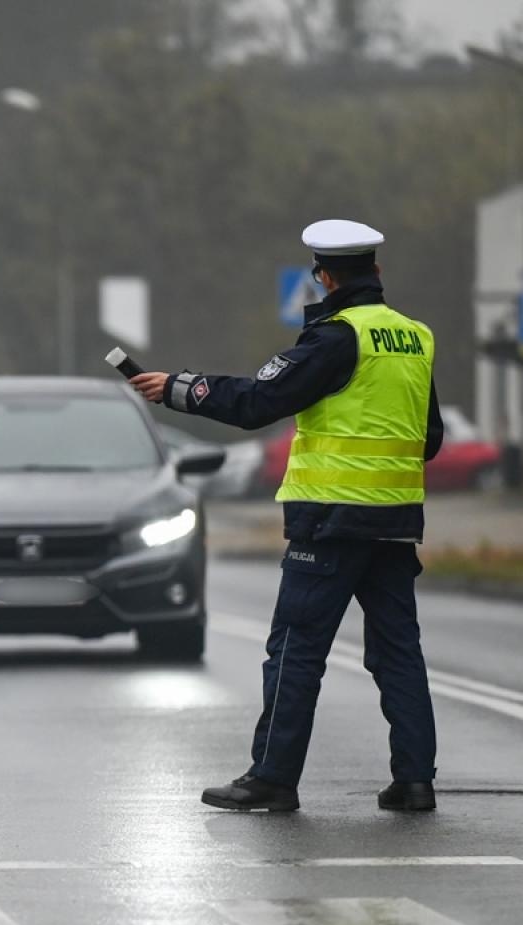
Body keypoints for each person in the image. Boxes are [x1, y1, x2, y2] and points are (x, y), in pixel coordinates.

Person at [131, 219, 443, 813]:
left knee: (296, 650)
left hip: (329, 522)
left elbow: (257, 402)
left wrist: (178, 387)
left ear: (323, 278)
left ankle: (273, 778)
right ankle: (415, 782)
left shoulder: (335, 338)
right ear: (376, 272)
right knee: (398, 651)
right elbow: (430, 438)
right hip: (395, 522)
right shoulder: (415, 337)